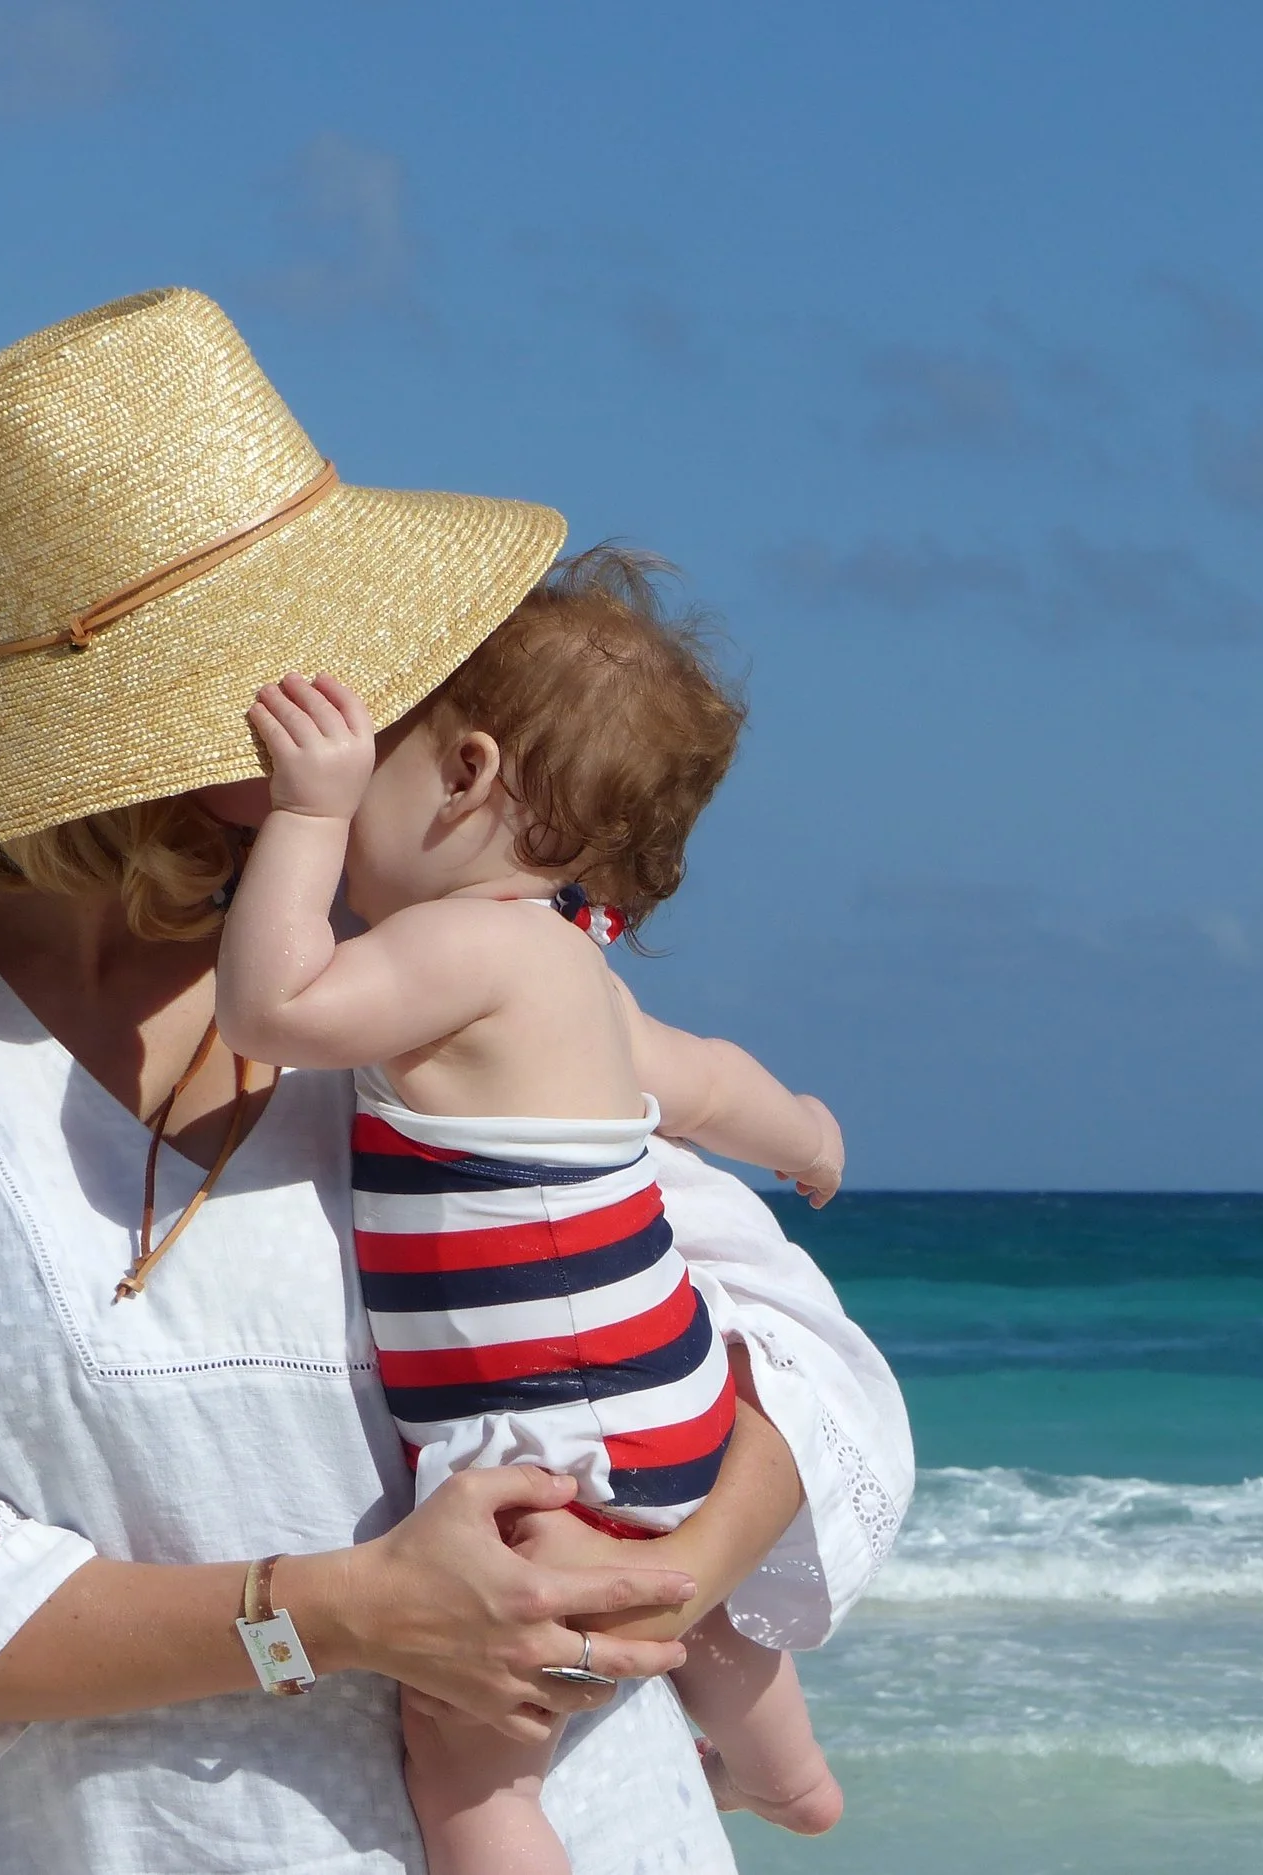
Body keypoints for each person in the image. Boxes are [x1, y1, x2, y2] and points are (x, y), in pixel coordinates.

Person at [0, 287, 911, 1873]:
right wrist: (345, 1613)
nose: (368, 708)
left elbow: (792, 1359)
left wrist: (647, 1589)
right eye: (301, 673)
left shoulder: (418, 956)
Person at [214, 549, 845, 1874]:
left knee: (465, 1760)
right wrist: (804, 1131)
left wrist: (305, 812)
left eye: (379, 758)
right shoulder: (574, 970)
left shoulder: (458, 948)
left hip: (558, 1428)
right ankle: (785, 1774)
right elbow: (708, 1082)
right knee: (690, 1600)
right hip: (673, 1397)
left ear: (465, 773)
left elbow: (272, 1007)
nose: (357, 784)